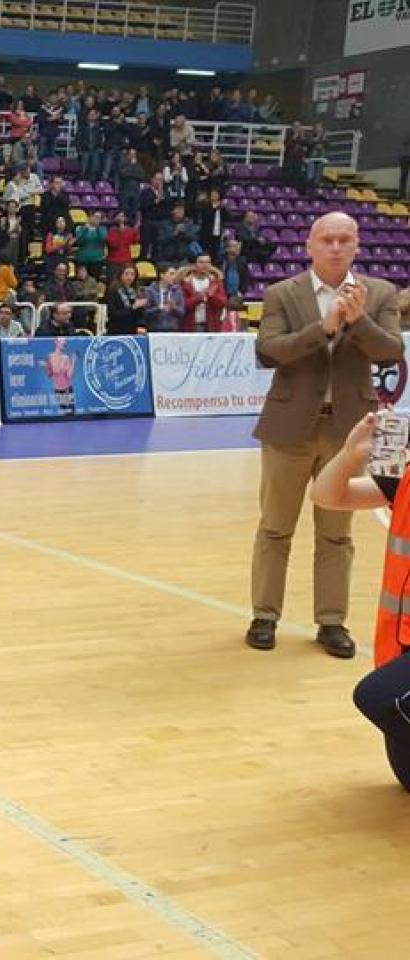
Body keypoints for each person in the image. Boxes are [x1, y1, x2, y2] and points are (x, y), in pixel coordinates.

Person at [247, 212, 404, 657]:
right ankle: (264, 615)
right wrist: (326, 328)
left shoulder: (379, 293)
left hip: (348, 430)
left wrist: (357, 322)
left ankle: (332, 622)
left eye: (344, 239)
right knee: (275, 527)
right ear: (309, 246)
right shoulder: (282, 293)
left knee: (337, 532)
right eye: (327, 239)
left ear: (357, 245)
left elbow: (390, 350)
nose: (336, 247)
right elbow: (269, 350)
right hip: (289, 427)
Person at [316, 403, 410, 791]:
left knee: (376, 697)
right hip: (400, 645)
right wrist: (351, 454)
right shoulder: (404, 467)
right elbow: (327, 495)